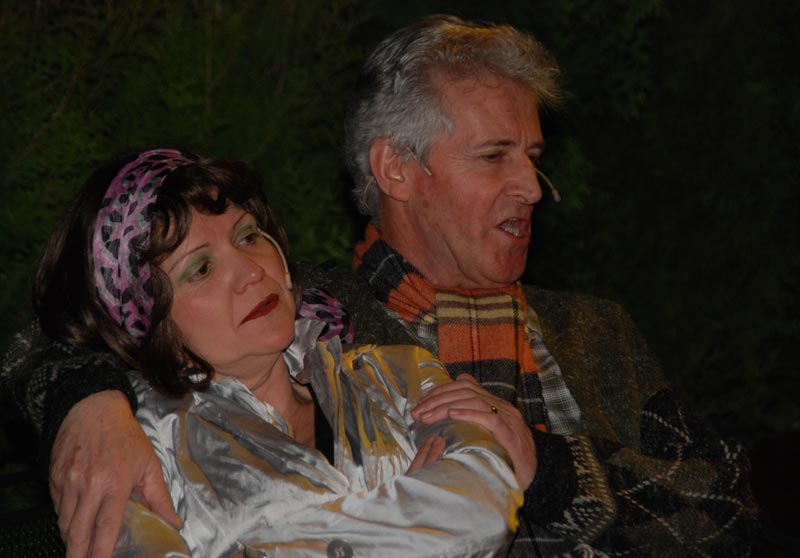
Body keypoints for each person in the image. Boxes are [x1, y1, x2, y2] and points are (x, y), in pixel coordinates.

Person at [1, 14, 757, 558]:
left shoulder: (595, 332)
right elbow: (66, 322)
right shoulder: (324, 323)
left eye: (532, 157)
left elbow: (728, 510)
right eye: (494, 156)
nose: (533, 187)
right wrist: (86, 403)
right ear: (397, 169)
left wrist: (548, 467)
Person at [24, 147, 523, 557]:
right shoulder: (140, 446)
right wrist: (415, 519)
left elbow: (483, 511)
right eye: (201, 269)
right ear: (147, 319)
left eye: (247, 236)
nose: (250, 271)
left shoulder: (397, 372)